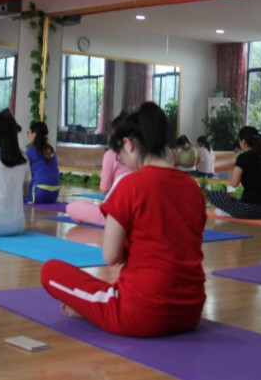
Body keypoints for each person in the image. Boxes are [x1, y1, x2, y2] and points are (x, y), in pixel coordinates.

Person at [40, 102, 206, 337]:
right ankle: (96, 304)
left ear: (129, 144)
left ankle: (91, 307)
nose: (123, 160)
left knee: (50, 271)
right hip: (190, 311)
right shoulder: (193, 189)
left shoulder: (129, 186)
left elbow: (110, 256)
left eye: (121, 155)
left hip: (140, 313)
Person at [66, 114, 131, 226]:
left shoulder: (112, 155)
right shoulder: (142, 157)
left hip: (116, 216)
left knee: (71, 207)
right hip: (137, 214)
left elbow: (104, 190)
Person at [207, 125, 261, 219]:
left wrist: (231, 176)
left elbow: (234, 183)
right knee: (236, 200)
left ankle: (231, 212)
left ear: (243, 141)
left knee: (214, 195)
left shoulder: (243, 157)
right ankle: (232, 211)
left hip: (249, 209)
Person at [25, 121, 60, 204]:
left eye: (29, 132)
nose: (28, 135)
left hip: (39, 193)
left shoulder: (31, 151)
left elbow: (23, 172)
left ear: (34, 134)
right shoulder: (51, 151)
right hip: (54, 194)